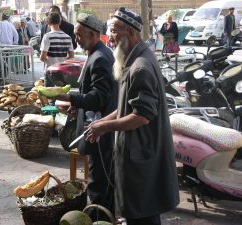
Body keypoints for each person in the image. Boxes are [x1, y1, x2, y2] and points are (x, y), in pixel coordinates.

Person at [86, 7, 179, 225]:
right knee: (140, 210)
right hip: (138, 151)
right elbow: (125, 106)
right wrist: (102, 121)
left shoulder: (141, 67)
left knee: (142, 213)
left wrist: (105, 128)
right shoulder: (136, 58)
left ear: (130, 32)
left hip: (141, 152)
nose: (110, 37)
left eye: (114, 31)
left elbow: (141, 117)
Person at [54, 13, 117, 221]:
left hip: (99, 131)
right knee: (99, 179)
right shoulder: (96, 53)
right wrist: (77, 107)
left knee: (98, 182)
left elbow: (100, 96)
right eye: (75, 35)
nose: (76, 39)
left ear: (92, 34)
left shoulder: (99, 58)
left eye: (79, 35)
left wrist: (71, 98)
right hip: (96, 126)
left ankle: (101, 218)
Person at [39, 12, 74, 87]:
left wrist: (51, 61)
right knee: (62, 94)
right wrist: (62, 60)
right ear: (60, 22)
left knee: (50, 95)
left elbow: (42, 57)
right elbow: (71, 55)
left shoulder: (47, 36)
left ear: (48, 23)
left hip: (50, 70)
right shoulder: (67, 37)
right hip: (63, 70)